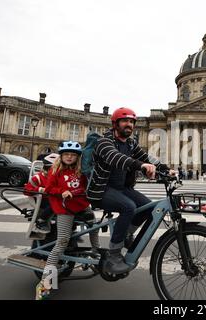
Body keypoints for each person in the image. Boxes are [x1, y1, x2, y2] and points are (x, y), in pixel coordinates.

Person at [87, 107, 173, 275]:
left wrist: (165, 169)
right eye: (125, 121)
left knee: (148, 207)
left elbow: (146, 157)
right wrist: (140, 165)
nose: (129, 125)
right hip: (101, 189)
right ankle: (114, 255)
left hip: (122, 188)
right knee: (128, 207)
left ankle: (125, 234)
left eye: (132, 122)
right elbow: (116, 158)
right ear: (115, 124)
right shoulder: (104, 142)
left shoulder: (131, 143)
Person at [35, 141, 100, 300]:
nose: (69, 157)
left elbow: (87, 185)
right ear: (61, 156)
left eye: (73, 155)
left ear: (77, 157)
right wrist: (62, 191)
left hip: (81, 205)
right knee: (61, 242)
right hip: (64, 208)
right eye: (66, 154)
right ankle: (45, 284)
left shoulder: (81, 170)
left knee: (95, 226)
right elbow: (49, 188)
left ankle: (95, 252)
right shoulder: (55, 170)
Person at [24, 153, 59, 233]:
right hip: (43, 200)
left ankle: (71, 228)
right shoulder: (37, 178)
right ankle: (41, 220)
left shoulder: (58, 178)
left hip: (54, 198)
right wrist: (39, 189)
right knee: (55, 203)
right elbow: (26, 190)